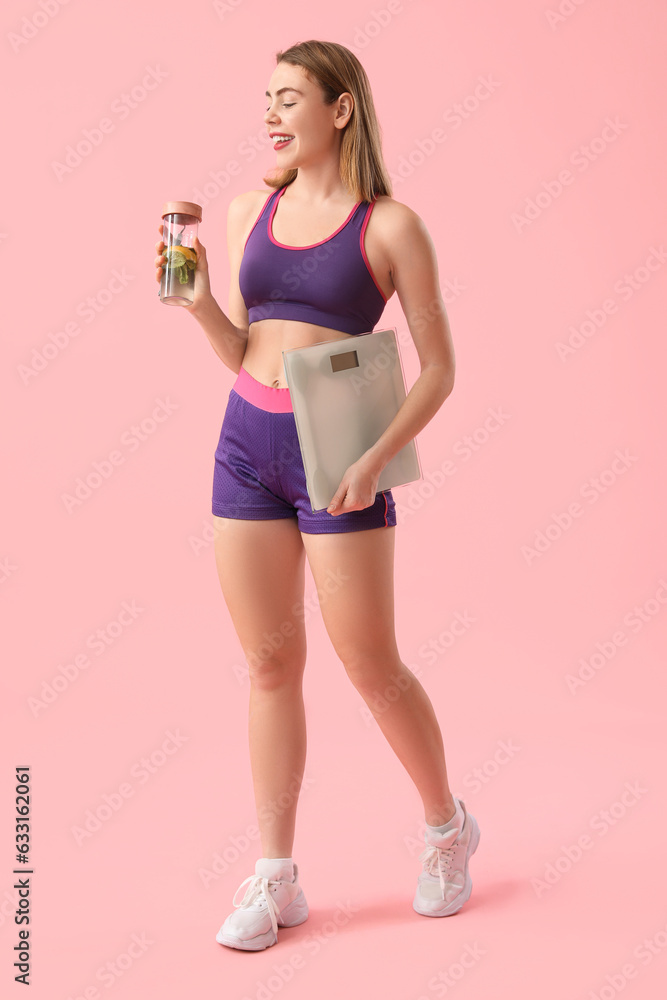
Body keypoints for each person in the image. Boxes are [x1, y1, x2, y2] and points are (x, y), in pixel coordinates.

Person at [154, 39, 480, 952]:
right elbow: (242, 347)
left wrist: (376, 457)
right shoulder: (244, 208)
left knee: (369, 663)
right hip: (244, 446)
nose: (269, 112)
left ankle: (447, 829)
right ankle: (275, 876)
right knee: (267, 666)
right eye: (265, 97)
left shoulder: (390, 227)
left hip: (339, 451)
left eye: (289, 97)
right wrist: (201, 307)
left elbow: (441, 370)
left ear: (339, 109)